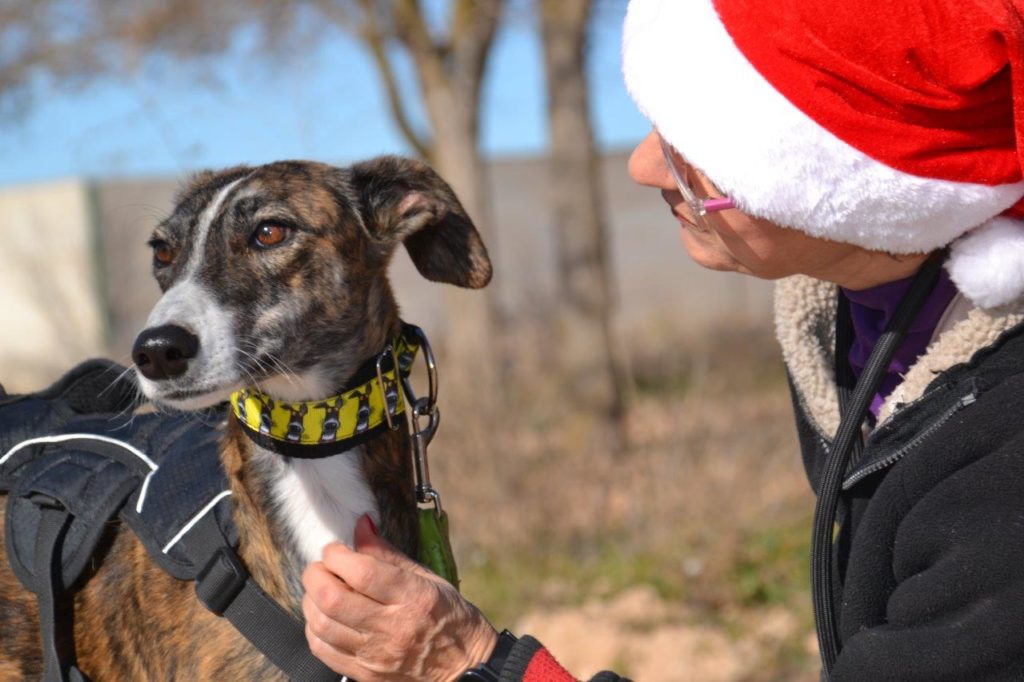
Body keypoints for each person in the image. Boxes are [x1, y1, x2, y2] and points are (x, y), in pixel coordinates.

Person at [302, 0, 1024, 679]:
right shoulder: (858, 311)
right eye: (655, 123)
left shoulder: (1002, 469)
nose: (643, 167)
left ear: (862, 182)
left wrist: (469, 662)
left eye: (694, 157)